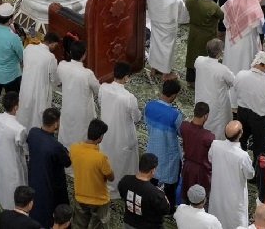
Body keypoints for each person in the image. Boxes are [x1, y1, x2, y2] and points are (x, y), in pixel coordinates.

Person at [97, 62, 140, 199]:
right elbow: (137, 118)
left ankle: (107, 184)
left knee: (108, 157)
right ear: (126, 77)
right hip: (123, 135)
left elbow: (100, 103)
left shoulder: (103, 87)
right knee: (124, 164)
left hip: (106, 133)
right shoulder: (129, 98)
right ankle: (122, 189)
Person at [222, 0, 265, 105]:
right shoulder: (255, 10)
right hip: (246, 43)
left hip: (231, 40)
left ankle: (227, 95)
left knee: (231, 64)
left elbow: (224, 14)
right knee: (243, 67)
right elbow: (261, 29)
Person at [27, 108, 71, 228]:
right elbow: (67, 162)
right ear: (56, 124)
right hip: (51, 184)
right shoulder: (55, 146)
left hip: (34, 178)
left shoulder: (33, 133)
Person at [208, 120, 255, 229]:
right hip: (235, 196)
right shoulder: (242, 156)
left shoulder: (215, 145)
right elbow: (250, 175)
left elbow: (210, 159)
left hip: (218, 190)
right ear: (240, 134)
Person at [144, 80, 182, 208]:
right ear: (174, 96)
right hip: (168, 153)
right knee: (170, 185)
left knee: (152, 177)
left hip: (152, 147)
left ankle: (151, 203)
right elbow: (181, 132)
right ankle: (169, 208)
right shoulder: (175, 115)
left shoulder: (149, 106)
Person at [56, 40, 100, 151]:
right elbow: (98, 89)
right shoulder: (87, 74)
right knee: (81, 133)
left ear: (70, 52)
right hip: (82, 111)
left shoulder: (62, 66)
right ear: (84, 55)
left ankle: (65, 150)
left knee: (67, 129)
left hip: (67, 105)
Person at [70, 119, 114, 228]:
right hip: (99, 200)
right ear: (100, 137)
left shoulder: (74, 149)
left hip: (80, 196)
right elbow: (111, 177)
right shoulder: (101, 158)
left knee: (79, 225)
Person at [234, 52, 265, 162]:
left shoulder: (241, 74)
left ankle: (240, 162)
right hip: (259, 118)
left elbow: (235, 88)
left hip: (242, 113)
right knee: (259, 146)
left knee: (241, 140)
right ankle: (257, 169)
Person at [147, 0, 189, 78]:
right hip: (168, 24)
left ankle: (154, 68)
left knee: (155, 43)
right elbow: (181, 7)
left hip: (155, 20)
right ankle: (165, 73)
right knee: (166, 48)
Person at [0, 3, 24, 115]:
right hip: (11, 76)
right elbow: (22, 56)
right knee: (12, 102)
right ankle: (11, 120)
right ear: (11, 19)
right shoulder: (13, 38)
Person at [0, 92, 28, 210]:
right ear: (16, 107)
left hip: (0, 158)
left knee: (0, 182)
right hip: (13, 161)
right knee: (14, 187)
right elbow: (24, 147)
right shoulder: (19, 129)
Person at [17, 31, 60, 129]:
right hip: (40, 92)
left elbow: (24, 64)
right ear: (53, 44)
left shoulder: (29, 48)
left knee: (24, 112)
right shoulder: (50, 57)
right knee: (37, 117)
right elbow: (54, 79)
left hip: (26, 87)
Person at [184, 0, 223, 84]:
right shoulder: (211, 6)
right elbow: (222, 15)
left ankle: (190, 79)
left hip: (193, 32)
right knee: (205, 56)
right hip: (207, 34)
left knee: (191, 54)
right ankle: (202, 79)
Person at [117, 153, 171, 229]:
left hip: (129, 223)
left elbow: (122, 194)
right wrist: (163, 195)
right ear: (153, 170)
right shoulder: (155, 192)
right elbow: (165, 210)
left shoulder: (125, 180)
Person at [194, 39, 234, 139]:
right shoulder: (222, 70)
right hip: (217, 103)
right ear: (220, 52)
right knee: (218, 129)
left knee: (204, 123)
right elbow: (233, 81)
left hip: (202, 98)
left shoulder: (199, 60)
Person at [179, 102, 214, 203]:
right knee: (199, 197)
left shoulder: (184, 126)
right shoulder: (208, 136)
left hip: (187, 167)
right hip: (201, 170)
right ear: (205, 116)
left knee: (186, 194)